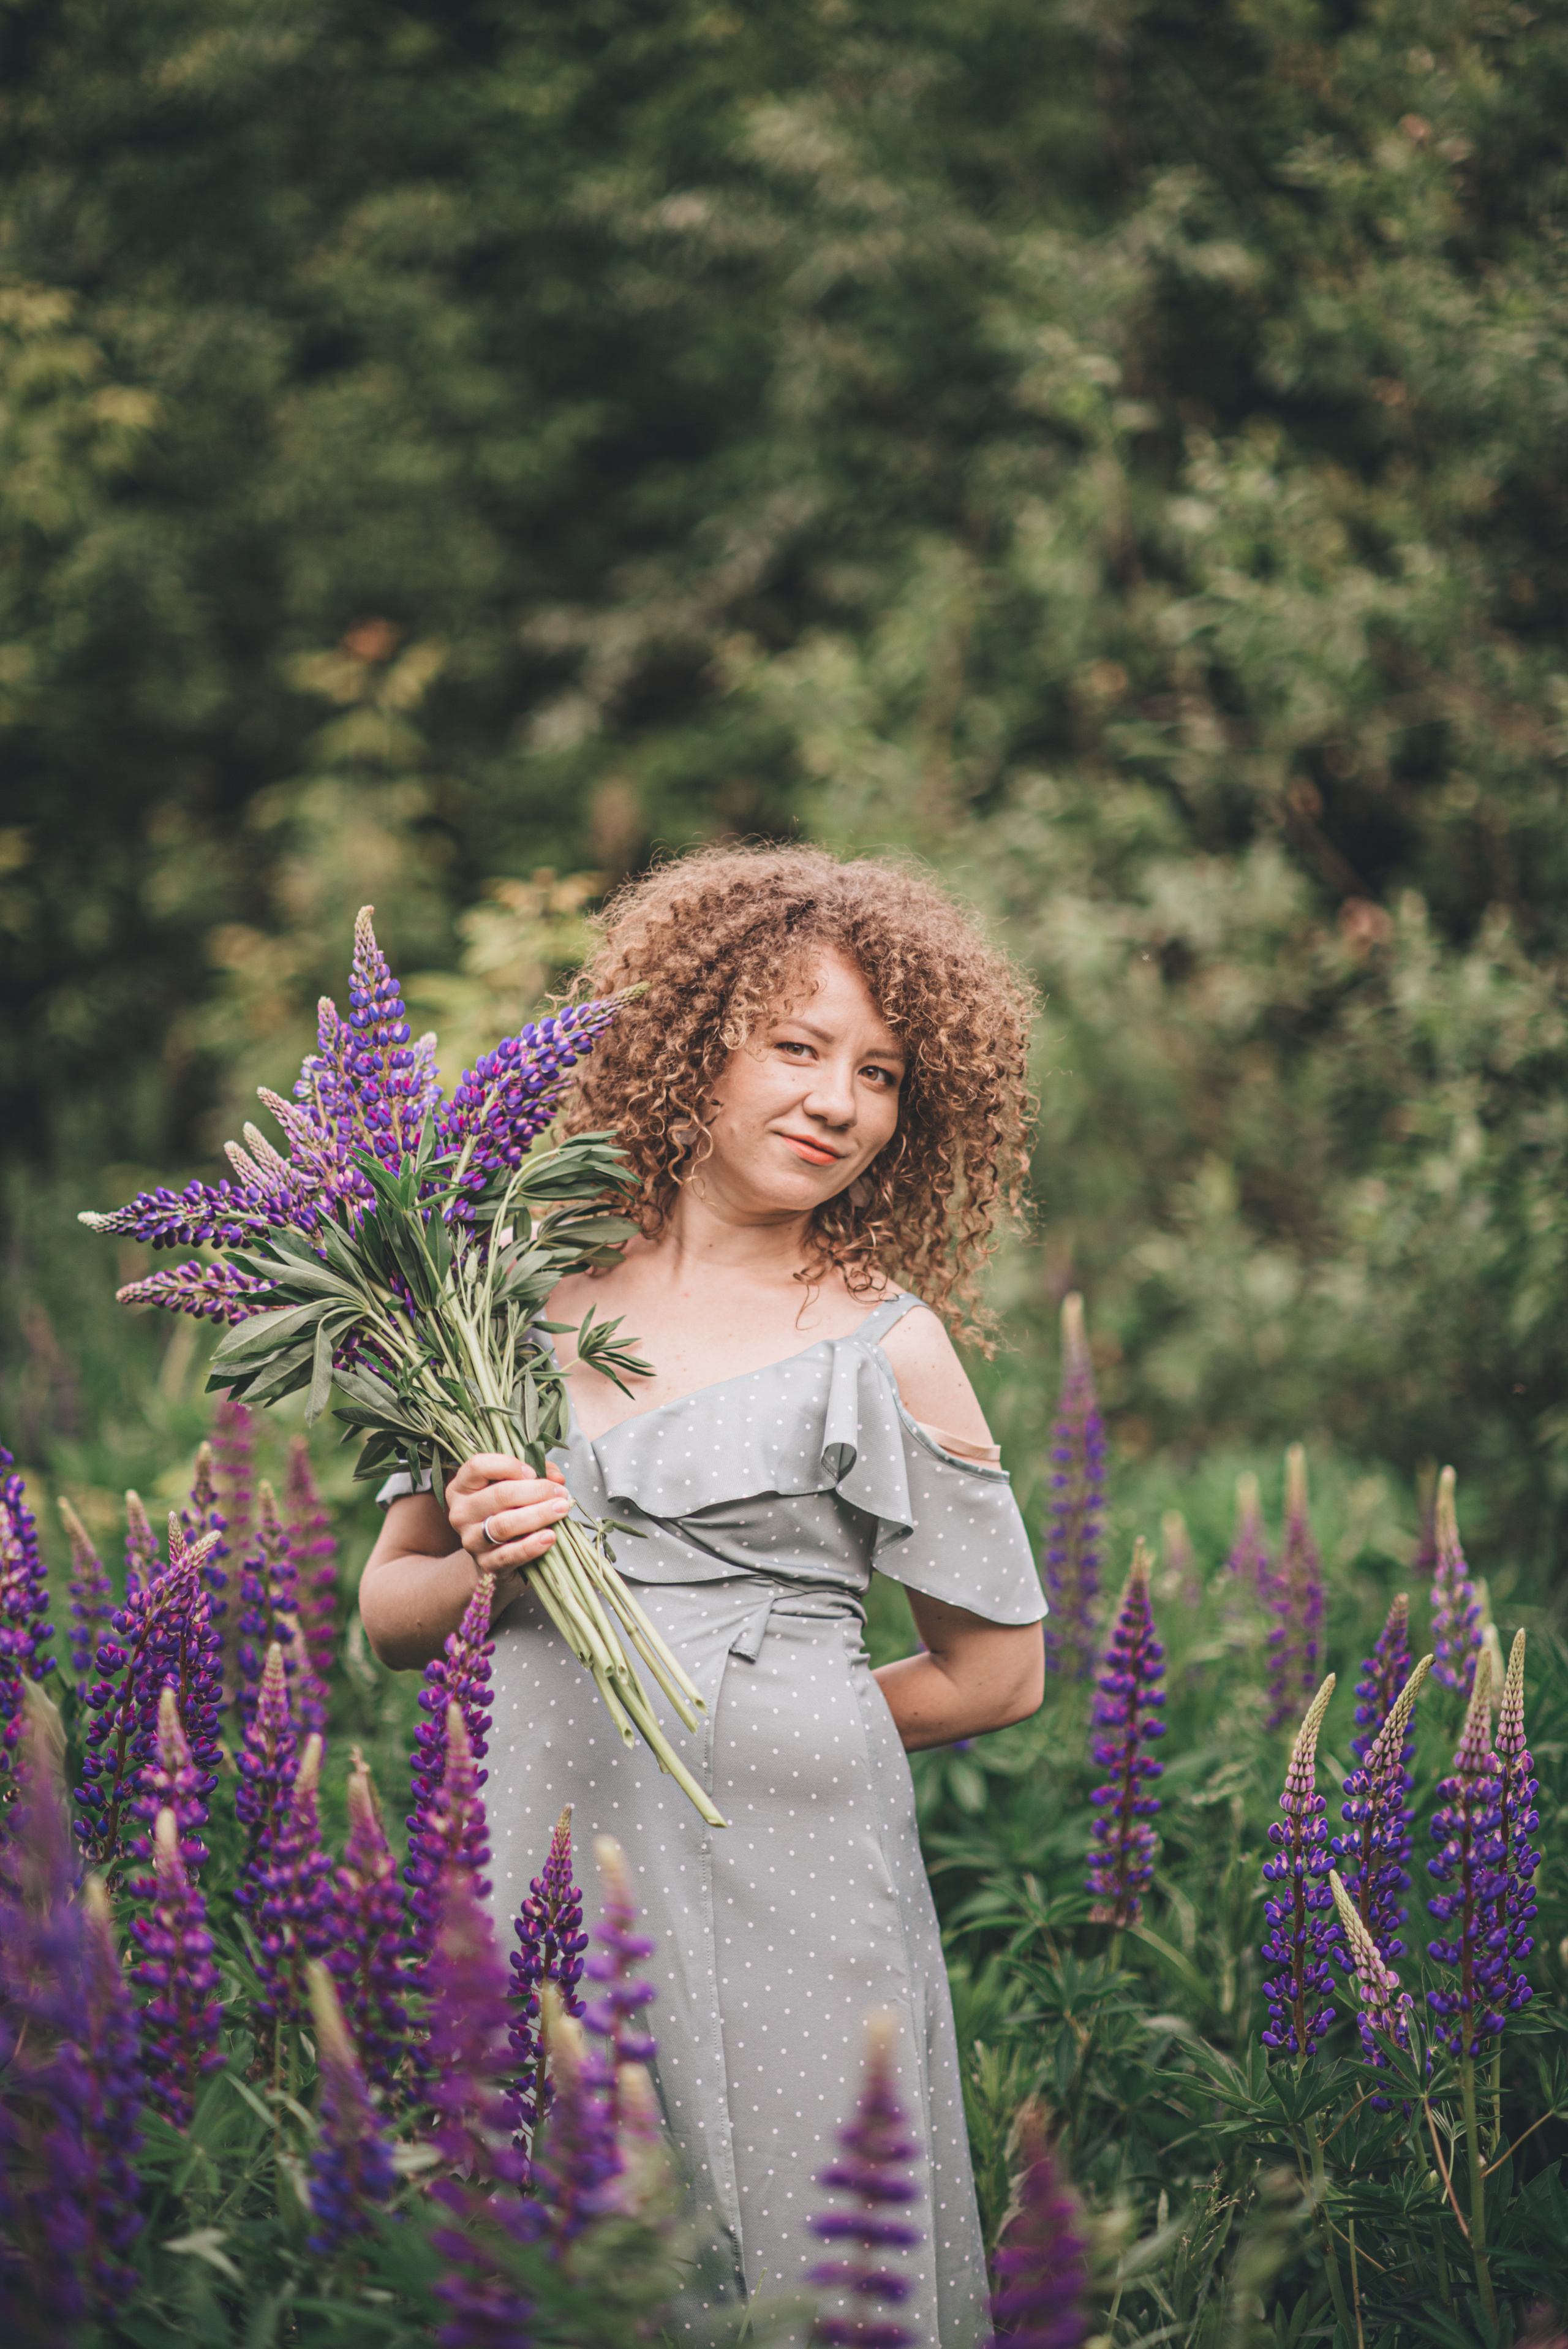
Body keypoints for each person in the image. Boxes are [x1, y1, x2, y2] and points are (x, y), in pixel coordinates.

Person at [361, 845, 1046, 2342]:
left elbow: (997, 1673)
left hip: (794, 1872)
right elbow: (387, 1612)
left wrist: (772, 1715)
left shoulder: (884, 1346)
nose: (832, 1101)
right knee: (556, 2268)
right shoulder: (496, 1301)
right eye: (794, 1048)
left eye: (876, 1073)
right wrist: (476, 1554)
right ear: (688, 1044)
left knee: (809, 2266)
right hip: (532, 1854)